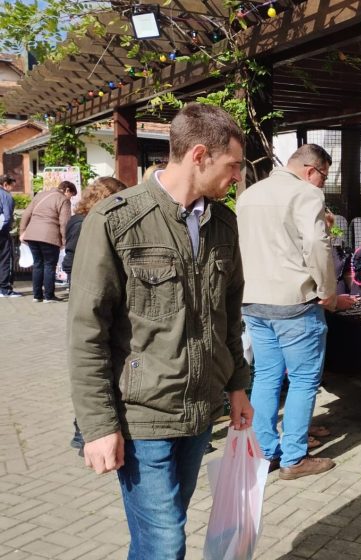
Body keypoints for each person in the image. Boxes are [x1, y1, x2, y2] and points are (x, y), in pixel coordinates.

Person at [67, 103, 253, 559]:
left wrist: (238, 387)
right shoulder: (114, 220)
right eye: (232, 166)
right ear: (199, 155)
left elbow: (229, 315)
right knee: (166, 543)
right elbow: (86, 331)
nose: (236, 178)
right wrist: (97, 427)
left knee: (158, 538)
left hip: (197, 414)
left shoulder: (224, 224)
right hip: (140, 417)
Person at [237, 143, 337, 480]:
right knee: (303, 380)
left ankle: (266, 452)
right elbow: (316, 245)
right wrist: (327, 291)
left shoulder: (249, 194)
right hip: (295, 303)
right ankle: (294, 457)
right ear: (312, 170)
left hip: (253, 300)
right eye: (324, 176)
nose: (323, 183)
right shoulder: (306, 194)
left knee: (265, 376)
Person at [62, 176, 129, 452]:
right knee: (94, 358)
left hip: (97, 290)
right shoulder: (87, 222)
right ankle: (83, 431)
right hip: (89, 289)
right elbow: (76, 259)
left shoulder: (88, 219)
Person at [63, 177, 128, 289]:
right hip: (88, 286)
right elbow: (70, 261)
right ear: (105, 198)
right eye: (118, 200)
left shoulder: (91, 219)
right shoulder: (82, 223)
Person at [19, 181, 75, 302]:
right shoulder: (63, 199)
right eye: (72, 194)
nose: (71, 197)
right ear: (67, 190)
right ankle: (49, 296)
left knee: (38, 264)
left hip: (32, 235)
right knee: (49, 265)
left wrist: (22, 231)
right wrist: (65, 241)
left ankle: (37, 295)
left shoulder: (39, 195)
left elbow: (26, 214)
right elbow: (64, 223)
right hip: (49, 236)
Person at [0, 174, 21, 297]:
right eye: (12, 185)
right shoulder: (6, 196)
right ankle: (5, 288)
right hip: (2, 233)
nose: (12, 188)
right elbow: (7, 217)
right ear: (5, 184)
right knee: (5, 259)